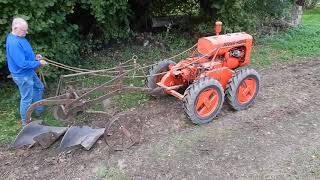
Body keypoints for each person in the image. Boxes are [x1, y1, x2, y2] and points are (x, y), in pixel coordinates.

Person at [6, 17, 48, 126]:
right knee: (26, 98)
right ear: (15, 28)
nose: (26, 32)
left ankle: (39, 109)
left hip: (28, 72)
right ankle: (26, 121)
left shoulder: (20, 37)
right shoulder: (14, 42)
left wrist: (35, 57)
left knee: (39, 87)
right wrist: (39, 63)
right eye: (24, 30)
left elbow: (24, 55)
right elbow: (21, 63)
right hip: (22, 75)